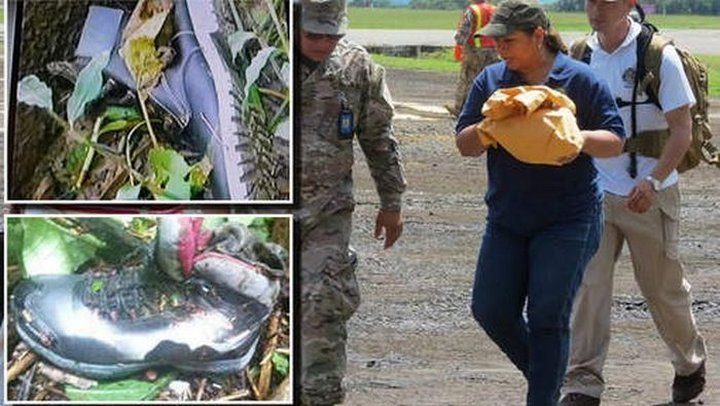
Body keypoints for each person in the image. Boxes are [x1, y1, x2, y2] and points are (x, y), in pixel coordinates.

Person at [454, 1, 625, 404]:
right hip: (508, 218)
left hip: (568, 219)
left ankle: (543, 395)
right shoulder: (492, 81)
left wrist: (576, 139)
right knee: (490, 309)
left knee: (548, 315)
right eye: (496, 42)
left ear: (537, 36)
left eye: (509, 41)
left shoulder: (580, 80)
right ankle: (547, 380)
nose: (501, 50)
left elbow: (615, 140)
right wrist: (490, 125)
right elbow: (464, 144)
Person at [561, 0, 708, 404]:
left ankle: (689, 363)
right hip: (593, 194)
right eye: (591, 1)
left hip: (650, 193)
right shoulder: (578, 55)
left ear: (629, 4)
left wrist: (654, 181)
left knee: (663, 290)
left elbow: (682, 131)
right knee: (588, 289)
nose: (597, 9)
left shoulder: (660, 56)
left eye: (607, 1)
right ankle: (582, 384)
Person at [298, 0, 407, 404]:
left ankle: (320, 395)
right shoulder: (265, 61)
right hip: (266, 207)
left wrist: (391, 199)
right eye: (314, 34)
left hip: (327, 211)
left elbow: (379, 137)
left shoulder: (355, 67)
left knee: (324, 303)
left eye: (333, 35)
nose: (324, 43)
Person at [448, 0, 500, 117]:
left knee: (468, 79)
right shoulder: (495, 10)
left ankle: (461, 109)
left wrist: (459, 43)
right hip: (494, 50)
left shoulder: (472, 10)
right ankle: (491, 107)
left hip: (475, 49)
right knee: (491, 79)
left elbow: (464, 31)